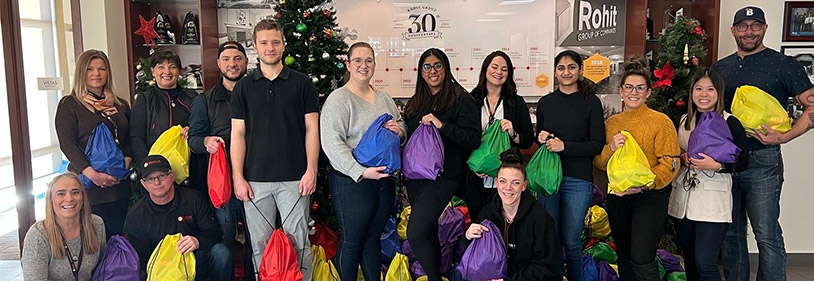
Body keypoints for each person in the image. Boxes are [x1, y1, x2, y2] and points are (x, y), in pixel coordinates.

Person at [712, 6, 814, 281]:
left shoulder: (784, 64)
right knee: (730, 235)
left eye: (755, 25)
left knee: (766, 233)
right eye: (743, 26)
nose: (749, 31)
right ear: (733, 30)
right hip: (727, 163)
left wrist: (785, 136)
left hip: (763, 161)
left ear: (765, 28)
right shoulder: (720, 68)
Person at [231, 19, 318, 280]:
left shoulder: (302, 84)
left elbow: (312, 130)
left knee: (299, 244)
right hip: (255, 181)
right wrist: (238, 177)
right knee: (259, 246)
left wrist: (311, 170)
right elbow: (238, 134)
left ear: (284, 45)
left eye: (275, 42)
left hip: (296, 179)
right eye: (264, 43)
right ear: (255, 47)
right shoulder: (243, 88)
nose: (270, 47)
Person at [320, 42, 406, 281]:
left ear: (375, 64)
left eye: (368, 60)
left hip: (384, 183)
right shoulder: (338, 100)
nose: (363, 65)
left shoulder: (384, 97)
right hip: (352, 182)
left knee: (372, 240)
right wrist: (360, 171)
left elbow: (401, 124)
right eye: (357, 60)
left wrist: (398, 131)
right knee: (352, 242)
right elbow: (331, 144)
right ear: (348, 64)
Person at [593, 56, 681, 280]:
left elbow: (672, 163)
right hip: (618, 198)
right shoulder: (611, 124)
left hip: (649, 198)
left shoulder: (660, 122)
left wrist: (646, 185)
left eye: (640, 88)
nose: (634, 92)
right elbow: (600, 164)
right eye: (629, 87)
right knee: (623, 254)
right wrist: (610, 148)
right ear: (621, 91)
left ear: (648, 92)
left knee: (642, 256)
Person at [404, 48, 481, 281]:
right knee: (425, 231)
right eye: (426, 67)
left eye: (437, 65)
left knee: (414, 232)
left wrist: (441, 125)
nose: (432, 71)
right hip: (417, 176)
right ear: (421, 72)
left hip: (444, 176)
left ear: (446, 68)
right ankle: (437, 274)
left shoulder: (461, 98)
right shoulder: (417, 101)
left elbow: (473, 138)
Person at [668, 68, 748, 281]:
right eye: (699, 89)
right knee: (691, 262)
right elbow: (676, 152)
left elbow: (744, 162)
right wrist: (682, 157)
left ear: (719, 93)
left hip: (712, 203)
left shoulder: (730, 122)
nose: (704, 94)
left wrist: (718, 165)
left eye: (710, 89)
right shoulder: (685, 120)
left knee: (706, 263)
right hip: (684, 200)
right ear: (692, 92)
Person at [535, 50, 605, 280]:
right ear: (555, 72)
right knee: (551, 239)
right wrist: (542, 137)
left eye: (571, 67)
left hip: (578, 180)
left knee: (572, 241)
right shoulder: (545, 103)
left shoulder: (591, 103)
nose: (566, 72)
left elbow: (596, 144)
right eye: (561, 68)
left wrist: (565, 146)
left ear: (580, 71)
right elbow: (540, 137)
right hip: (549, 179)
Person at [55, 49, 131, 238]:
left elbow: (129, 137)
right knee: (92, 239)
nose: (96, 74)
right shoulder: (69, 104)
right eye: (90, 69)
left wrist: (124, 168)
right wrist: (93, 175)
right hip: (89, 185)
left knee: (116, 237)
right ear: (82, 72)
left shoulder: (120, 104)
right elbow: (67, 144)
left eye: (101, 69)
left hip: (118, 184)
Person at [123, 155, 232, 281]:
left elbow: (213, 233)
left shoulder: (194, 198)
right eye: (150, 179)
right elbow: (141, 257)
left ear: (171, 176)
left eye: (161, 176)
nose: (157, 182)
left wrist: (197, 242)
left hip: (195, 260)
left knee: (221, 253)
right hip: (162, 269)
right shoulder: (136, 215)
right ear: (143, 183)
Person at [465, 148, 561, 281]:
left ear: (524, 186)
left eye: (515, 182)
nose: (508, 188)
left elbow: (548, 267)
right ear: (497, 183)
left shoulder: (540, 218)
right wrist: (467, 237)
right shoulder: (487, 213)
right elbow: (473, 255)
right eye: (503, 181)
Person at [188, 41, 248, 251]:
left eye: (237, 58)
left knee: (258, 240)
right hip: (223, 184)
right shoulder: (204, 100)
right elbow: (193, 140)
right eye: (226, 59)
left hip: (258, 179)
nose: (232, 64)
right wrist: (206, 142)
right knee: (226, 240)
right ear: (218, 64)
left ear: (246, 62)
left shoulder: (257, 95)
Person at [466, 51, 534, 220]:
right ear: (485, 69)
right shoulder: (470, 100)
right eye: (494, 67)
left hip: (507, 181)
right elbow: (462, 137)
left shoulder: (516, 102)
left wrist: (513, 132)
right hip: (475, 178)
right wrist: (473, 166)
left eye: (504, 69)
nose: (499, 72)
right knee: (479, 222)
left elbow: (526, 141)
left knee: (505, 223)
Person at [22, 173, 106, 281]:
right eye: (61, 193)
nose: (69, 199)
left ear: (83, 198)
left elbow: (103, 270)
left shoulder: (96, 224)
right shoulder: (38, 235)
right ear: (51, 201)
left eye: (75, 192)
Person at [130, 48, 197, 174]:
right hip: (156, 172)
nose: (167, 72)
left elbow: (205, 125)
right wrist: (146, 168)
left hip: (191, 168)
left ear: (179, 72)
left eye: (172, 67)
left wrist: (192, 129)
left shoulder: (193, 97)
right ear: (153, 71)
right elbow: (136, 137)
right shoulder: (144, 100)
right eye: (161, 67)